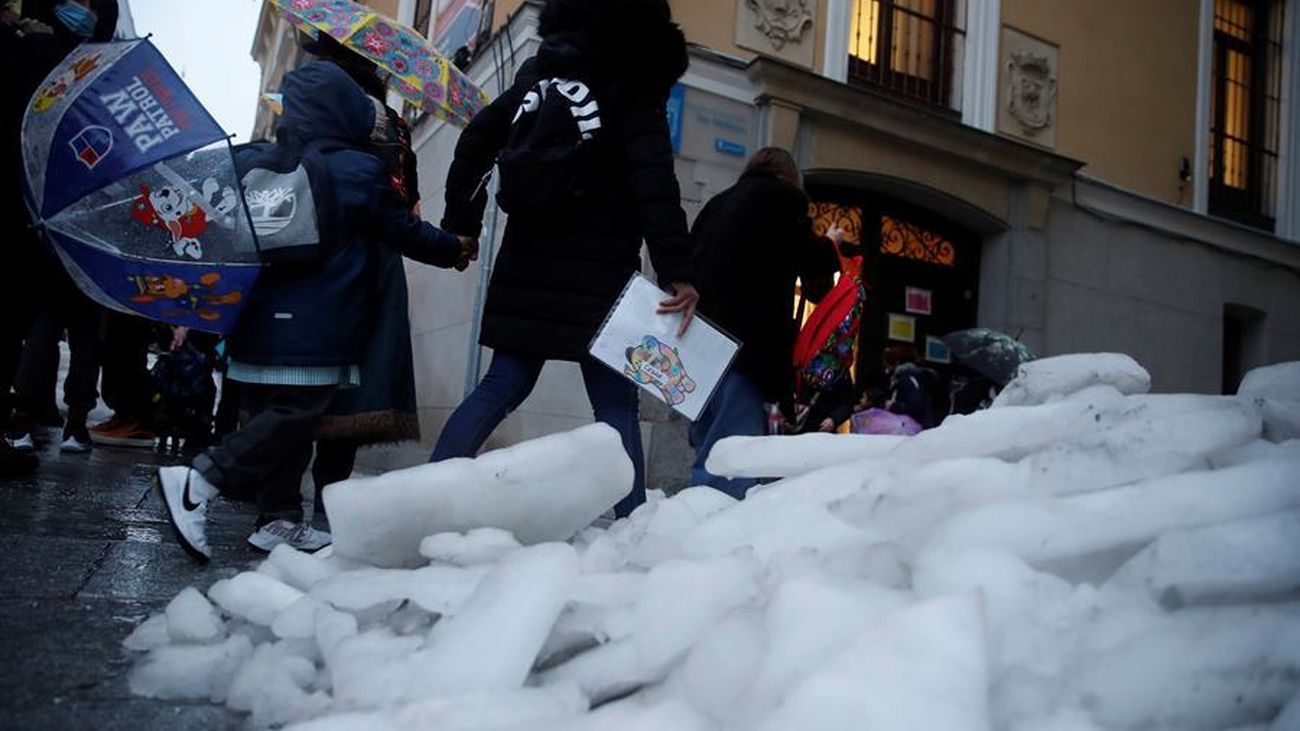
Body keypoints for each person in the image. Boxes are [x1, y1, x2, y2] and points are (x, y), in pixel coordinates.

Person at [157, 61, 475, 561]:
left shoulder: (251, 162)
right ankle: (201, 478)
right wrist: (454, 248)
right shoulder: (357, 169)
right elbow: (404, 232)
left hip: (254, 322)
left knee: (273, 416)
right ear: (345, 111)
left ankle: (276, 519)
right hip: (317, 326)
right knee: (298, 415)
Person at [431, 0, 698, 518]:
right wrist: (678, 271)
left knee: (501, 384)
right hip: (600, 271)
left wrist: (459, 225)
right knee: (614, 404)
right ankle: (633, 525)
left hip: (526, 264)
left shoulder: (538, 77)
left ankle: (427, 498)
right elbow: (654, 183)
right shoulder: (633, 85)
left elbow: (475, 140)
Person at [302, 33, 428, 498]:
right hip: (375, 262)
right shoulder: (393, 125)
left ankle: (270, 497)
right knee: (358, 380)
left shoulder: (316, 112)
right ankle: (329, 493)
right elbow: (409, 208)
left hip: (311, 250)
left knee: (299, 371)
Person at [0, 0, 118, 474]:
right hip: (63, 227)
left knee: (51, 326)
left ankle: (44, 418)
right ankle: (48, 418)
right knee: (51, 326)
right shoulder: (76, 71)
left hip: (62, 228)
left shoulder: (46, 55)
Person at [688, 147, 842, 497]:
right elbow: (809, 258)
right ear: (789, 176)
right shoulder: (783, 199)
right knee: (733, 450)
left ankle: (693, 514)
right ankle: (712, 529)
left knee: (707, 441)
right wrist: (830, 246)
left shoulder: (717, 203)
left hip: (701, 344)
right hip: (747, 346)